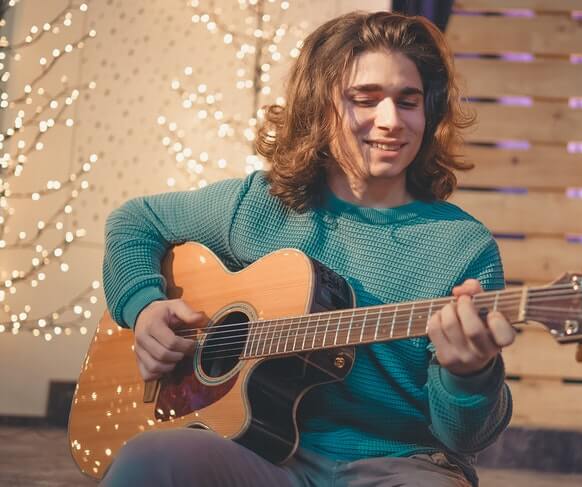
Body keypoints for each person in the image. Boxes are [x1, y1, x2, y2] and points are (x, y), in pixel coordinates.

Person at [100, 10, 516, 487]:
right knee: (150, 459)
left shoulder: (464, 246)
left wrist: (471, 374)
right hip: (261, 456)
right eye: (365, 99)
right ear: (321, 107)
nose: (391, 121)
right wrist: (145, 307)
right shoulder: (258, 204)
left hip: (402, 467)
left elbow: (465, 436)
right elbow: (135, 221)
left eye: (408, 101)